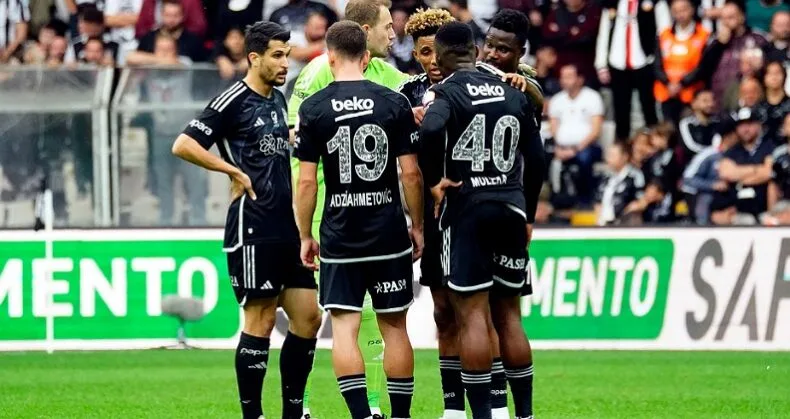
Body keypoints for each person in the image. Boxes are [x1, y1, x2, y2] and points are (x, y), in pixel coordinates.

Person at [171, 21, 321, 419]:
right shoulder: (232, 100)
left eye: (288, 55)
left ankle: (293, 412)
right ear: (254, 58)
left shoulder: (277, 99)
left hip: (287, 227)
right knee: (261, 318)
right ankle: (253, 414)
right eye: (277, 55)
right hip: (252, 225)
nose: (285, 63)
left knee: (309, 317)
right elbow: (183, 144)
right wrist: (231, 171)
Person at [398, 8, 540, 419]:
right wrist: (528, 213)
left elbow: (430, 131)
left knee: (473, 315)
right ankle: (523, 413)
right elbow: (537, 156)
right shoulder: (510, 89)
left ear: (442, 57)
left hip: (466, 209)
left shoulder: (446, 92)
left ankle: (482, 413)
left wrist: (436, 180)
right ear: (475, 51)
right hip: (511, 207)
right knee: (509, 315)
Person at [294, 20, 424, 419]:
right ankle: (400, 416)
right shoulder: (393, 103)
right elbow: (411, 174)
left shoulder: (313, 108)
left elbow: (306, 183)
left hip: (340, 234)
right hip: (387, 231)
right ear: (366, 57)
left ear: (329, 57)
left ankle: (361, 416)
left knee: (345, 327)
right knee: (394, 327)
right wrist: (418, 226)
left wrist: (305, 235)